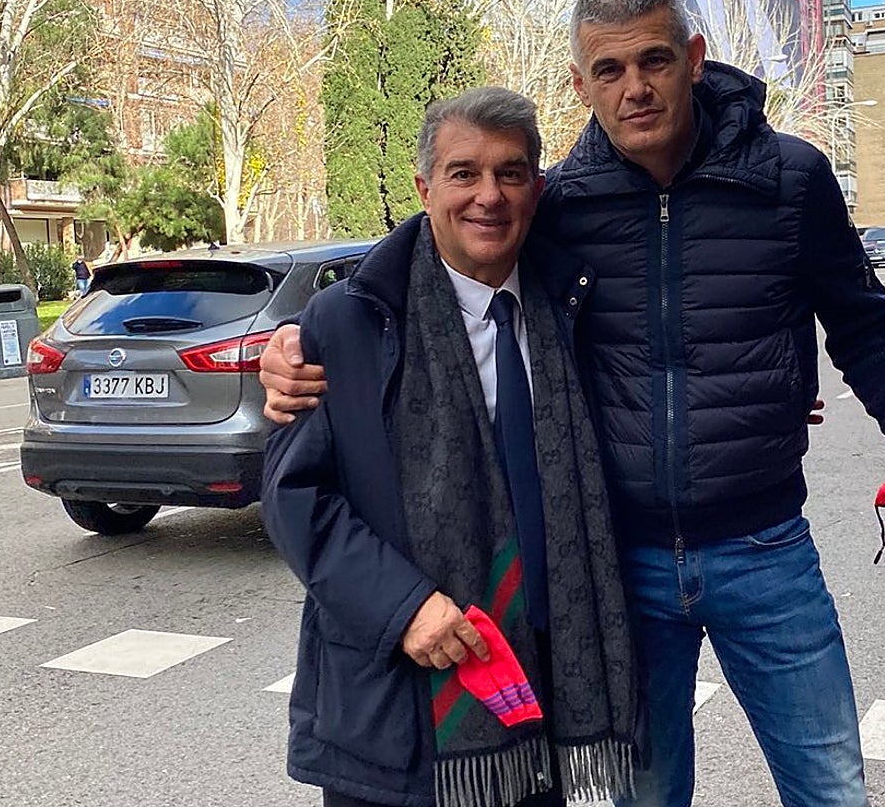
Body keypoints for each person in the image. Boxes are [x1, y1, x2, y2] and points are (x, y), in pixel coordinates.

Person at [259, 0, 885, 806]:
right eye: (609, 70)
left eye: (655, 60)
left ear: (694, 59)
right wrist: (305, 334)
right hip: (620, 563)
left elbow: (864, 322)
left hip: (764, 547)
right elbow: (444, 245)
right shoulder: (561, 203)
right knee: (646, 794)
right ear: (580, 83)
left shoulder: (791, 179)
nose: (635, 87)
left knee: (830, 786)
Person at [261, 87, 638, 807]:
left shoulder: (574, 309)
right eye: (464, 173)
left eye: (510, 173)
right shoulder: (347, 323)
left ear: (538, 186)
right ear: (424, 186)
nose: (488, 197)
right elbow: (293, 500)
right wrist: (405, 609)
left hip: (539, 686)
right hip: (396, 706)